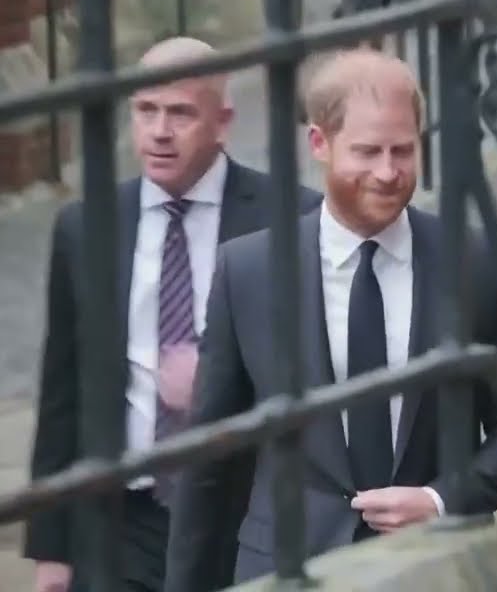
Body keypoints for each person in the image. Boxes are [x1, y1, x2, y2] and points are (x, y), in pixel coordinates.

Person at [163, 48, 497, 590]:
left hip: (437, 566)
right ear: (319, 143)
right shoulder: (248, 270)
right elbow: (211, 459)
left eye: (403, 151)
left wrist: (442, 499)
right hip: (290, 567)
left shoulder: (475, 261)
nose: (388, 173)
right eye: (367, 152)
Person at [23, 37, 324, 592]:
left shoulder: (292, 218)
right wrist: (51, 550)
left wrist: (219, 388)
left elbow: (321, 377)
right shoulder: (86, 226)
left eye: (181, 113)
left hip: (239, 518)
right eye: (146, 110)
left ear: (223, 121)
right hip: (121, 517)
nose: (159, 131)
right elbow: (62, 393)